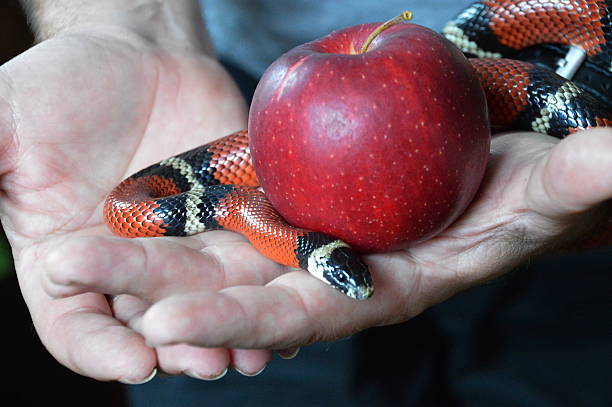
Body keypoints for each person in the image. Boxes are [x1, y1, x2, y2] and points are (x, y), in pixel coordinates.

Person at [3, 0, 611, 405]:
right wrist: (128, 29)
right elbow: (130, 208)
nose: (358, 279)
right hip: (238, 87)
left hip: (500, 111)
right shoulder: (235, 205)